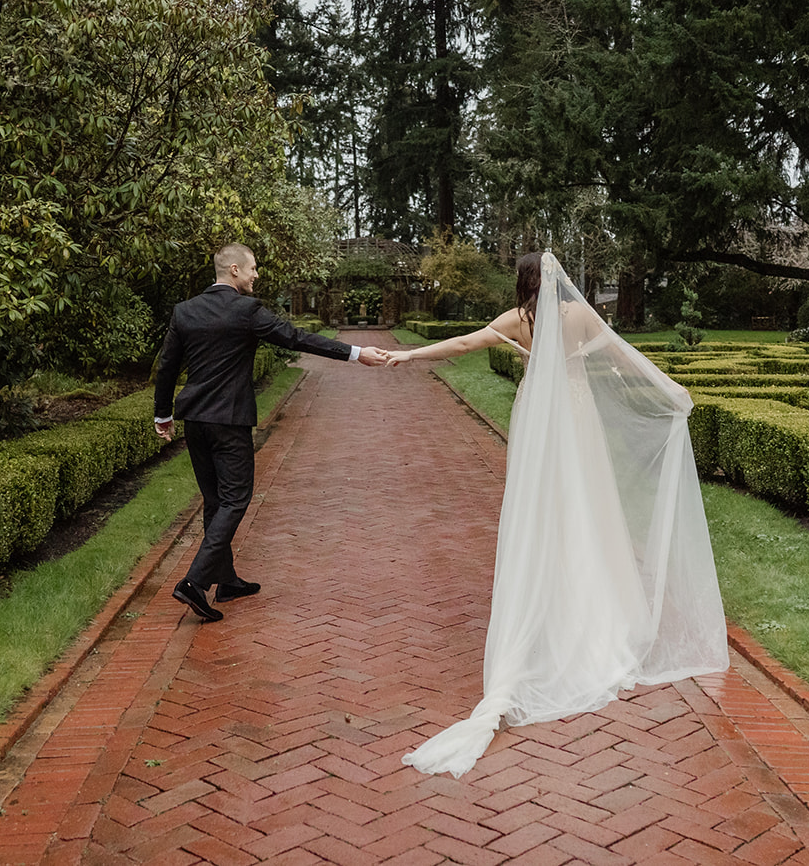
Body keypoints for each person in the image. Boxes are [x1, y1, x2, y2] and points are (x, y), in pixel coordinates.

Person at [387, 251, 729, 777]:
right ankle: (594, 605)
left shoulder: (517, 322)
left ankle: (546, 596)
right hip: (576, 415)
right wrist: (666, 386)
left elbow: (461, 344)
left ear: (522, 282)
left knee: (540, 506)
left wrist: (409, 357)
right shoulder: (578, 316)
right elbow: (618, 354)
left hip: (540, 423)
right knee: (587, 507)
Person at [154, 243, 390, 623]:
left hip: (195, 421)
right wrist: (355, 352)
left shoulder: (185, 311)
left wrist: (162, 415)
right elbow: (296, 338)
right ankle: (195, 582)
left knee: (215, 501)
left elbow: (167, 368)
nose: (256, 275)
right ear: (233, 270)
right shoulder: (246, 311)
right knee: (234, 500)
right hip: (229, 422)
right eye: (252, 268)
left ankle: (225, 580)